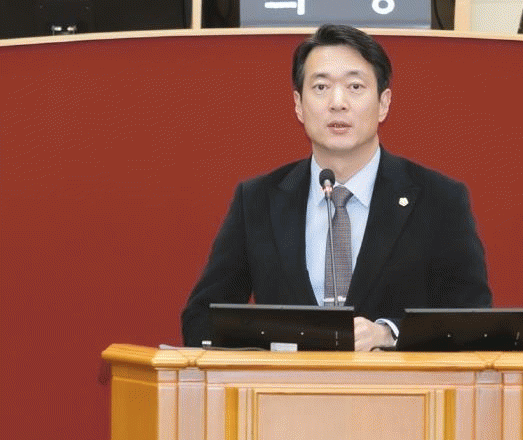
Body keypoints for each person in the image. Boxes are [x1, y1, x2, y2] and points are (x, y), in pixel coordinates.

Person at [182, 24, 492, 350]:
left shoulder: (438, 199)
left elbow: (471, 320)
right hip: (285, 383)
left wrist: (389, 334)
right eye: (321, 87)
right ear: (298, 104)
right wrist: (275, 341)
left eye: (355, 86)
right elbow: (202, 319)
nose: (337, 102)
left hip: (395, 383)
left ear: (384, 103)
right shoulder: (257, 200)